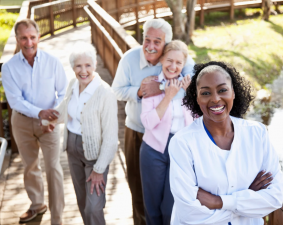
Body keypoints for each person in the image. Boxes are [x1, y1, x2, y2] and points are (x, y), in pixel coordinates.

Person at [169, 61, 283, 225]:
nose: (215, 99)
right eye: (206, 93)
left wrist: (219, 202)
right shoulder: (182, 143)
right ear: (197, 97)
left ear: (233, 93)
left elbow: (274, 198)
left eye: (222, 90)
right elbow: (189, 213)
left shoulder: (257, 134)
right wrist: (247, 200)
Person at [111, 18, 194, 225]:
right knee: (138, 188)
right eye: (147, 39)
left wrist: (164, 87)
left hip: (171, 138)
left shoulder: (176, 60)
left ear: (166, 44)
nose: (150, 46)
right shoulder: (129, 59)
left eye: (157, 42)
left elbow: (192, 81)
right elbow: (117, 91)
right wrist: (140, 91)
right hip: (137, 130)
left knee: (169, 198)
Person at [41, 42, 118, 225]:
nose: (83, 71)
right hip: (72, 150)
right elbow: (66, 108)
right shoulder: (73, 84)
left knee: (93, 207)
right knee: (83, 202)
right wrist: (48, 121)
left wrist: (99, 169)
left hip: (95, 156)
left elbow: (111, 137)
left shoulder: (105, 93)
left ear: (95, 65)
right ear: (73, 67)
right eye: (78, 66)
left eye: (88, 65)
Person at [1, 19, 67, 224]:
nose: (28, 42)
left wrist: (53, 116)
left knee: (53, 167)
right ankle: (37, 205)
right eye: (23, 38)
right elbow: (15, 100)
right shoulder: (9, 67)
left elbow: (63, 93)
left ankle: (57, 217)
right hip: (22, 123)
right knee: (30, 165)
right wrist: (40, 113)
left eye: (32, 37)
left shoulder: (53, 62)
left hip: (50, 124)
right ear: (17, 39)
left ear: (38, 37)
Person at [140, 40, 193, 225]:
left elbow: (198, 123)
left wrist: (191, 96)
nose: (173, 66)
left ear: (184, 65)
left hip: (181, 151)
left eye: (179, 63)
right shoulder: (151, 84)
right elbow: (148, 122)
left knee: (171, 206)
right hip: (154, 150)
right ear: (162, 59)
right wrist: (168, 96)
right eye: (170, 60)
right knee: (152, 207)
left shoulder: (188, 86)